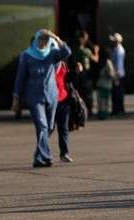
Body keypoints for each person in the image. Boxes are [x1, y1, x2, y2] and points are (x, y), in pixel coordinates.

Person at [12, 29, 72, 167]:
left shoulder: (52, 54)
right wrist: (16, 98)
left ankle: (39, 157)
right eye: (40, 39)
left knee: (49, 127)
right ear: (35, 40)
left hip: (52, 95)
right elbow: (20, 78)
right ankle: (45, 156)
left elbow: (67, 52)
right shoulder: (26, 56)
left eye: (45, 40)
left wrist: (55, 37)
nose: (43, 42)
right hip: (34, 97)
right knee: (42, 125)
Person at [72, 31, 98, 116]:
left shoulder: (74, 50)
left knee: (79, 91)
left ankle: (80, 109)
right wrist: (97, 51)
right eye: (86, 38)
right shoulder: (85, 51)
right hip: (85, 74)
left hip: (77, 73)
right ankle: (89, 109)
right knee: (88, 92)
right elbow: (96, 59)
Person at [54, 61, 74, 162]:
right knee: (48, 128)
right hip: (51, 101)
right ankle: (42, 152)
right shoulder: (48, 63)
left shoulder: (63, 64)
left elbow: (69, 79)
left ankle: (64, 153)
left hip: (64, 99)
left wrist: (78, 71)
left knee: (64, 128)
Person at [95, 46, 118, 120]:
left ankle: (100, 113)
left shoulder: (100, 61)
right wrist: (115, 77)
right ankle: (104, 114)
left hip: (100, 83)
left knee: (100, 100)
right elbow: (111, 73)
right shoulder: (108, 62)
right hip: (107, 84)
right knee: (106, 100)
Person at [108, 33, 126, 115]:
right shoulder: (117, 49)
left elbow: (118, 64)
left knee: (117, 93)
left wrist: (116, 77)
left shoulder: (119, 51)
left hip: (117, 74)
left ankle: (117, 109)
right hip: (118, 74)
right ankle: (119, 109)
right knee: (118, 92)